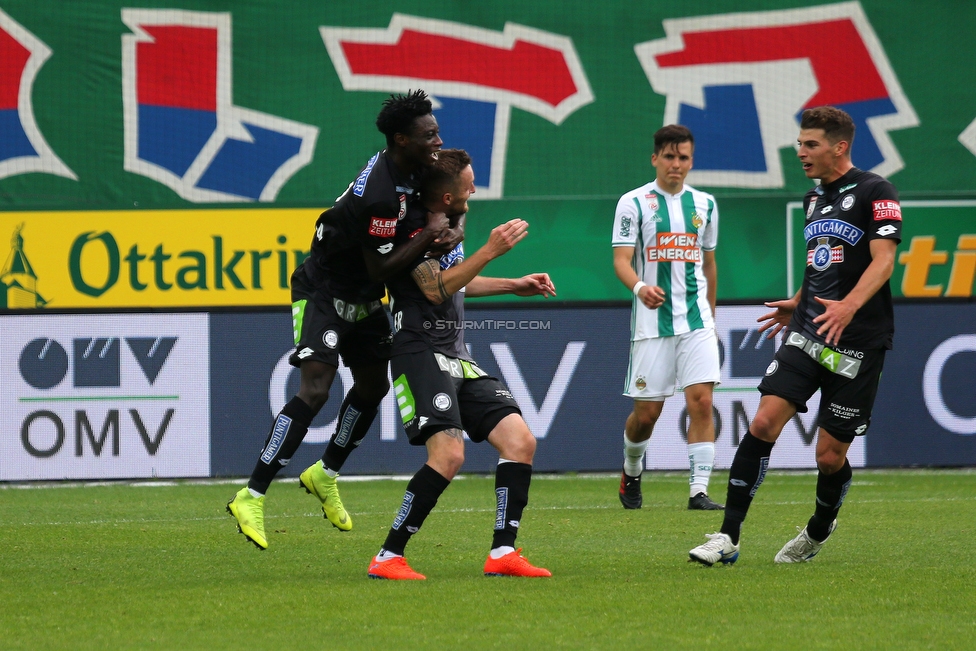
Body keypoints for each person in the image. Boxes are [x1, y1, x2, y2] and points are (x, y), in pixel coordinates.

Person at [227, 90, 461, 550]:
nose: (438, 140)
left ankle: (324, 473)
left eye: (436, 131)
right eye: (428, 134)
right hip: (325, 290)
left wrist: (452, 227)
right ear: (401, 139)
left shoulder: (422, 170)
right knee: (315, 390)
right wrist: (432, 234)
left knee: (373, 387)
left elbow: (456, 204)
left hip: (365, 297)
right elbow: (382, 268)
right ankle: (251, 494)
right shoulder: (378, 192)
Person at [689, 106, 902, 566]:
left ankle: (819, 528)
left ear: (839, 147)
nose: (801, 152)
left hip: (858, 341)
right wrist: (799, 299)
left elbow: (883, 261)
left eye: (811, 145)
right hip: (809, 332)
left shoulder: (876, 190)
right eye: (799, 143)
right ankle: (727, 537)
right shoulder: (814, 199)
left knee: (828, 457)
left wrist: (848, 306)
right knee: (764, 423)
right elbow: (823, 259)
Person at [366, 149, 557, 580]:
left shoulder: (453, 222)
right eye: (468, 183)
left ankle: (502, 553)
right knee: (449, 454)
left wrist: (513, 285)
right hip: (418, 350)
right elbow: (434, 289)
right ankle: (387, 557)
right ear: (447, 196)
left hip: (456, 354)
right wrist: (491, 251)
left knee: (520, 442)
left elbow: (458, 280)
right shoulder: (412, 227)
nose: (475, 187)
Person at [611, 124, 723, 511]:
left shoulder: (705, 205)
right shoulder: (634, 203)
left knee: (702, 401)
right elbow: (621, 261)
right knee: (647, 414)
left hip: (696, 322)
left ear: (692, 161)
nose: (677, 164)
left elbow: (709, 265)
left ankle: (698, 491)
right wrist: (641, 288)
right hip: (652, 324)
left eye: (684, 157)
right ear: (655, 158)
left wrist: (710, 314)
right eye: (670, 157)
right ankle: (632, 470)